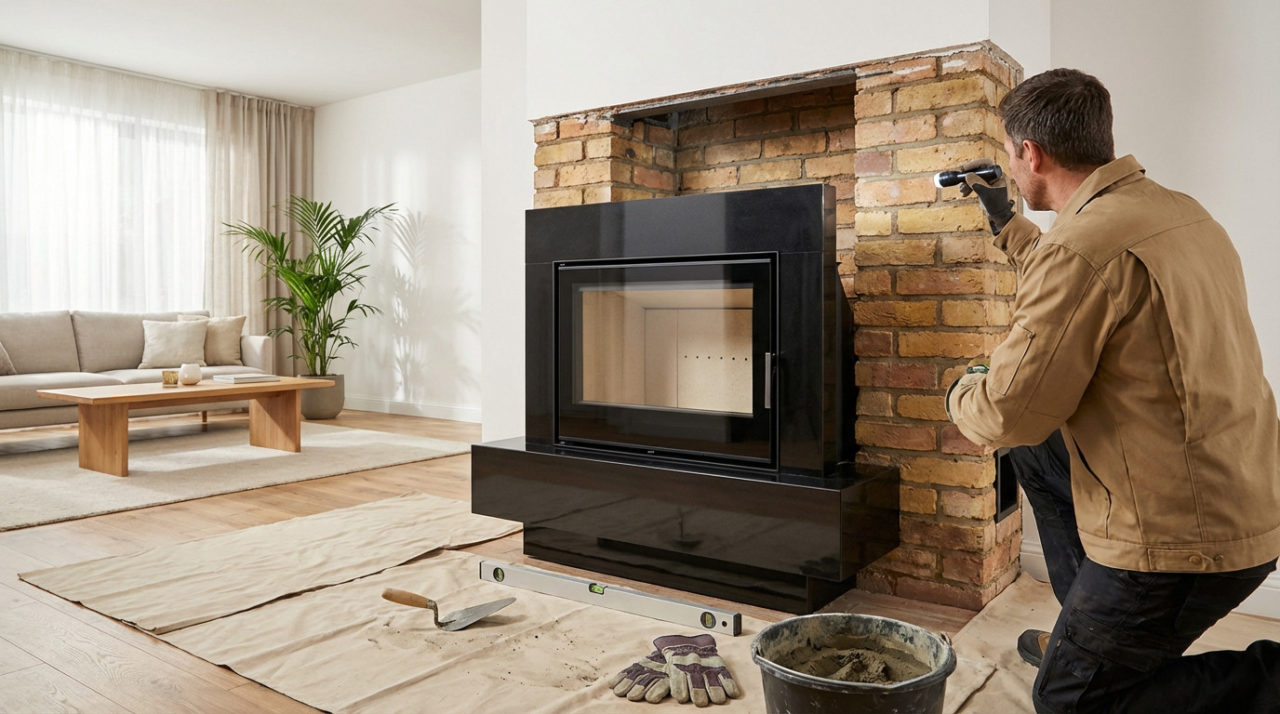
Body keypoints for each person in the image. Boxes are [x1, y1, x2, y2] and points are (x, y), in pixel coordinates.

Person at [946, 67, 1280, 713]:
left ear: (1030, 152)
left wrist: (960, 385)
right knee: (1040, 453)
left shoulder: (1083, 247)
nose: (1013, 171)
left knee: (1073, 702)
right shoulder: (1176, 212)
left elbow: (1003, 416)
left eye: (1012, 158)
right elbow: (1081, 272)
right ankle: (1089, 630)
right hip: (1236, 488)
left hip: (1181, 534)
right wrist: (1002, 219)